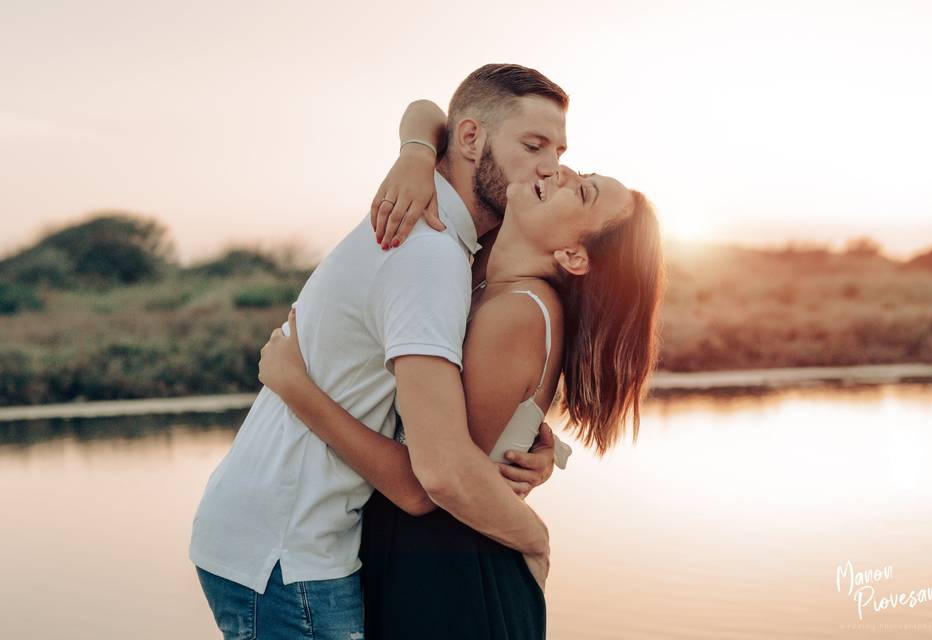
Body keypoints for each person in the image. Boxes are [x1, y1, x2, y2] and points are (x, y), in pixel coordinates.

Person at [189, 63, 574, 640]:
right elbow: (431, 481)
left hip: (274, 534)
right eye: (533, 144)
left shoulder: (450, 241)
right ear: (470, 140)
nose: (551, 166)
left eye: (560, 149)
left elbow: (429, 113)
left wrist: (515, 448)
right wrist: (531, 535)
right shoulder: (429, 255)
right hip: (290, 555)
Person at [257, 97, 666, 640]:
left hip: (451, 576)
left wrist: (296, 388)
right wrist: (415, 155)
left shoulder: (517, 311)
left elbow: (430, 480)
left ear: (573, 256)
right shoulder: (485, 272)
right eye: (578, 170)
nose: (562, 172)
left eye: (582, 190)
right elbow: (432, 110)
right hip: (430, 559)